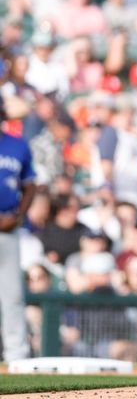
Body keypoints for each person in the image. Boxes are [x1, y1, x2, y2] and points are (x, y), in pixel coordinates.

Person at [0, 98, 36, 362]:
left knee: (12, 295)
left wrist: (19, 214)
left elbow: (30, 185)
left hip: (8, 228)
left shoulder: (17, 144)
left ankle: (17, 356)